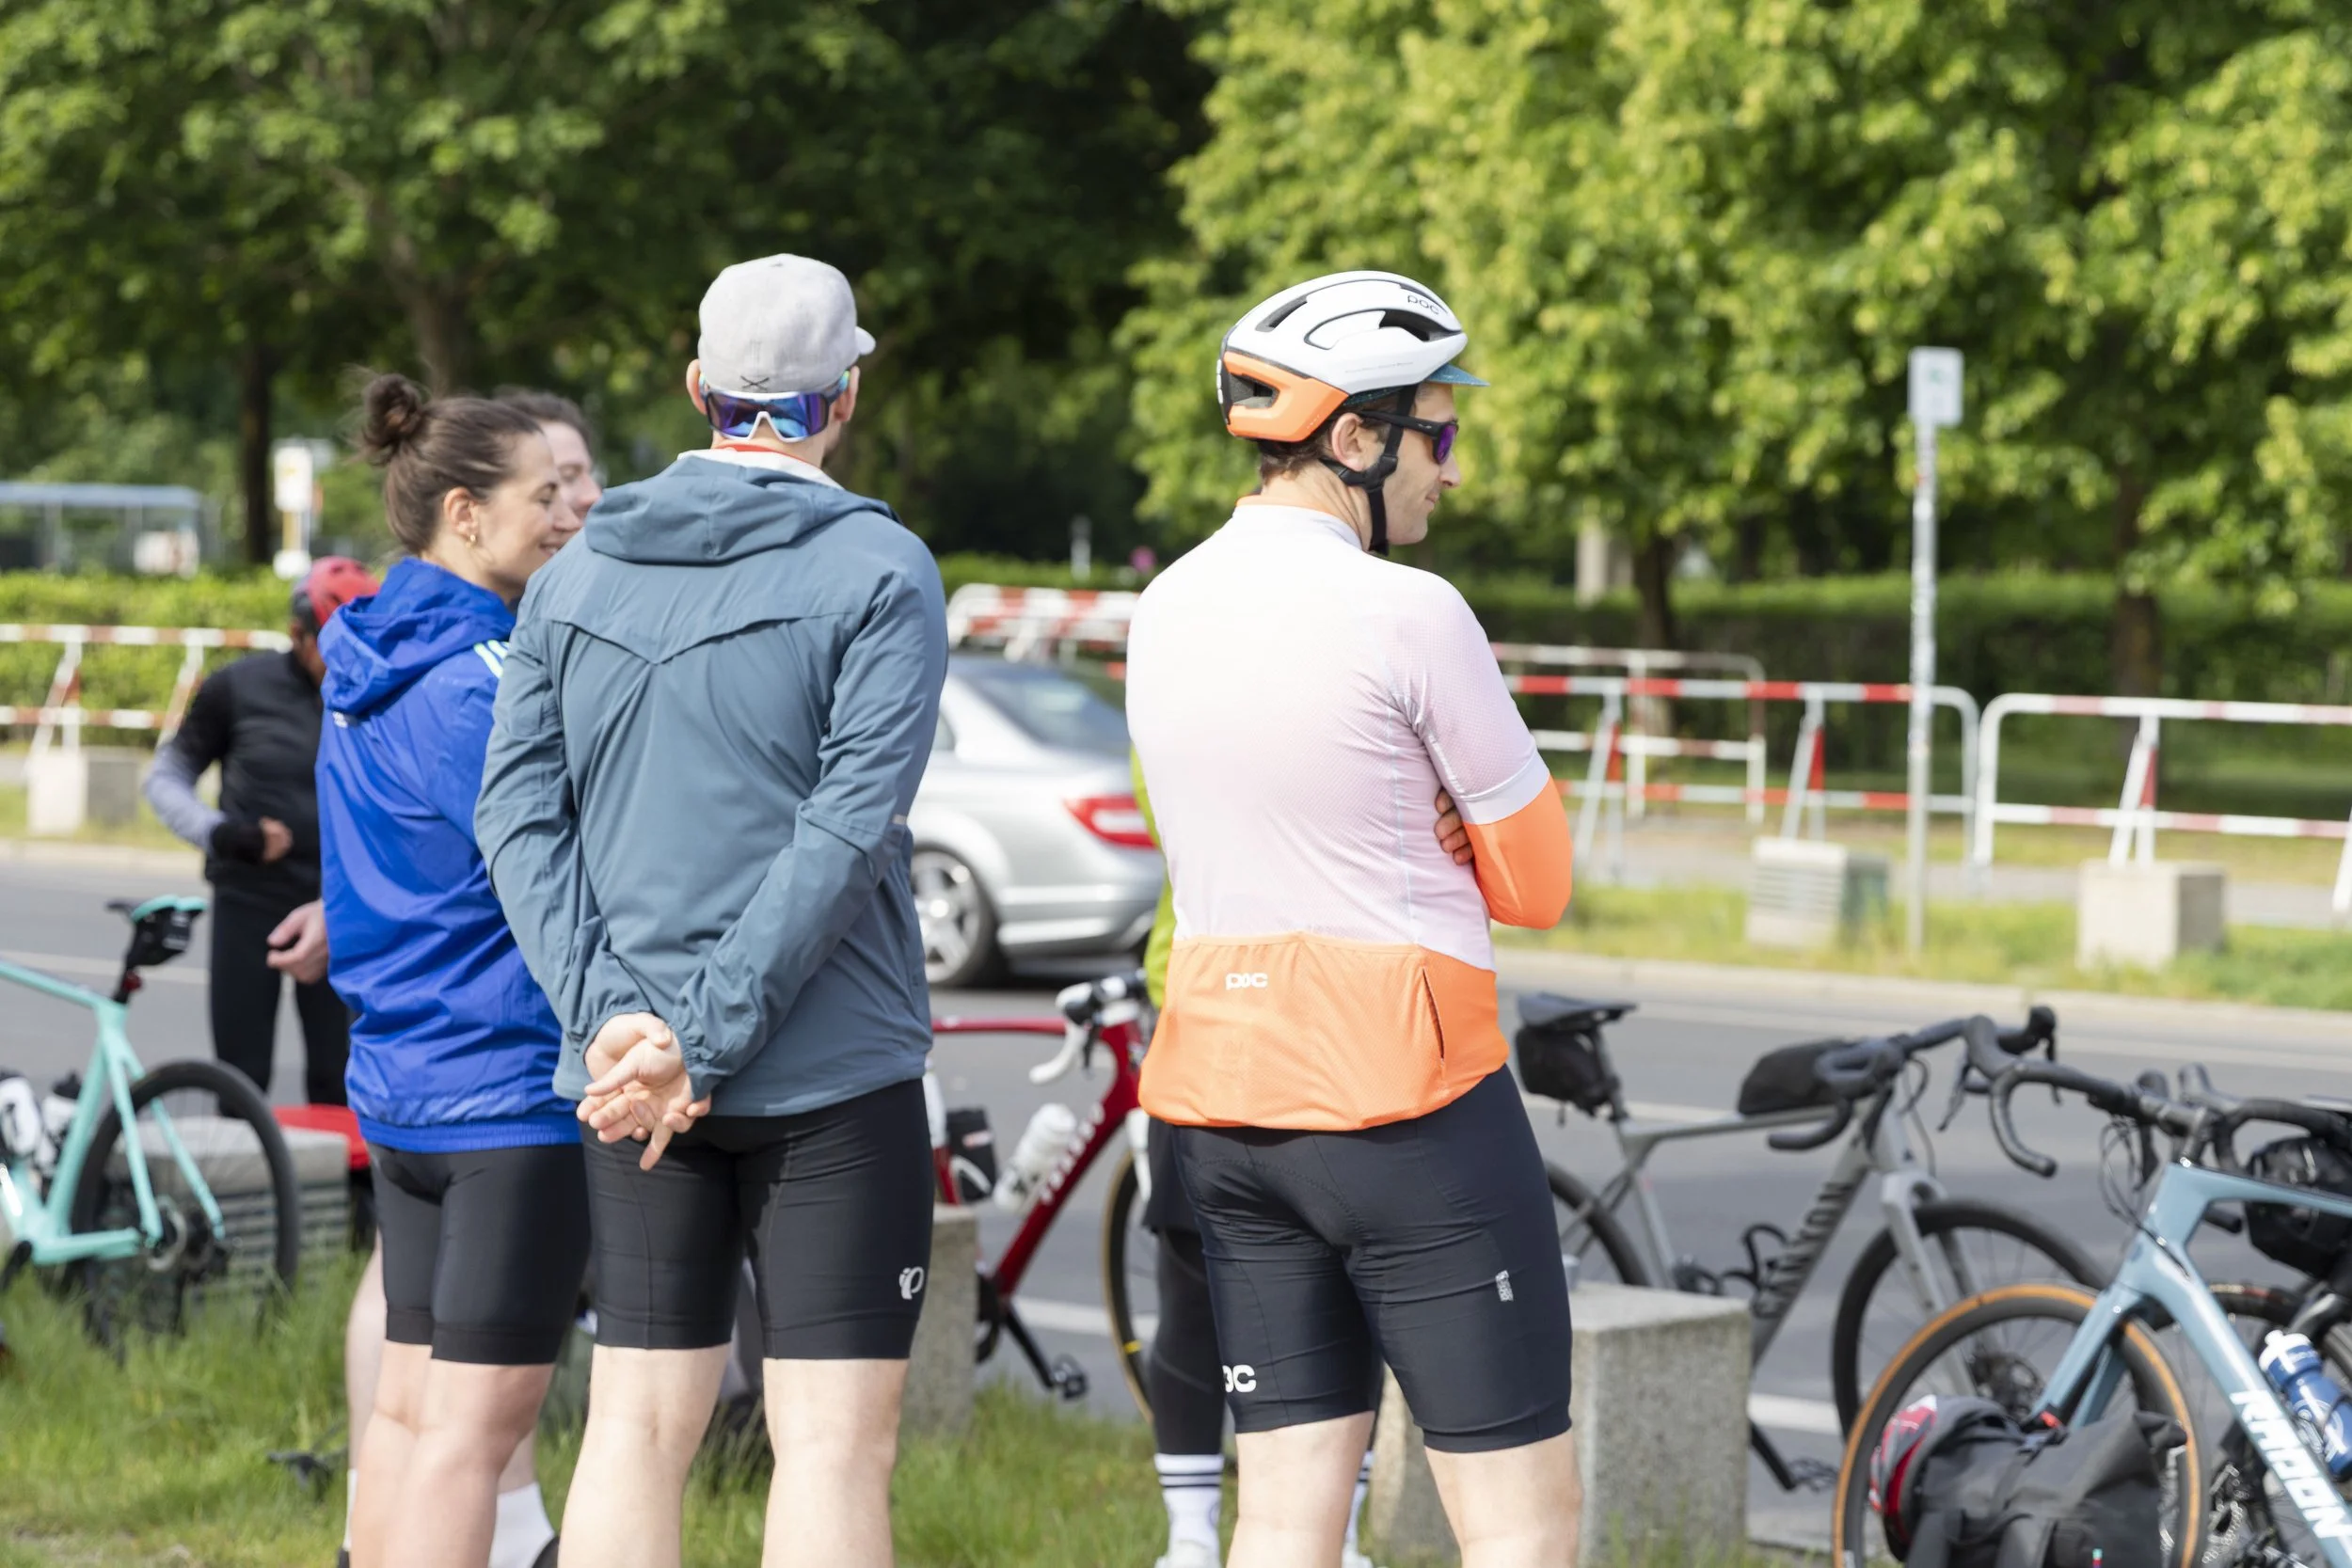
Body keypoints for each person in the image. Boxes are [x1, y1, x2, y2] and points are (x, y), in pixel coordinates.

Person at [477, 253, 947, 1568]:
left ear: (698, 388)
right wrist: (701, 1030)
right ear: (844, 393)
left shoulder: (576, 570)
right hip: (826, 1067)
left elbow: (515, 815)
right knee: (834, 1443)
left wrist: (620, 1021)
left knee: (631, 1425)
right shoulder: (884, 569)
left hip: (627, 1080)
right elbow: (843, 831)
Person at [1124, 271, 1583, 1568]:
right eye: (1436, 430)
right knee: (1519, 1527)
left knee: (1279, 1518)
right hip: (1407, 1105)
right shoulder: (1410, 612)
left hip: (1223, 1098)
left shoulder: (1163, 609)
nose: (1453, 466)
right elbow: (1539, 879)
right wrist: (1454, 817)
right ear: (1351, 435)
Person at [322, 388, 604, 1568]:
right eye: (546, 494)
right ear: (462, 513)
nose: (573, 510)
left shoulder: (371, 652)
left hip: (404, 1083)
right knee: (471, 1437)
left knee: (407, 1410)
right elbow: (566, 855)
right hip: (506, 1096)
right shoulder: (482, 675)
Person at [1132, 756, 1404, 1568]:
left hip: (1348, 1008)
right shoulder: (1187, 654)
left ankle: (1339, 1529)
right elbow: (1174, 803)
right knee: (1192, 1280)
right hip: (1209, 1000)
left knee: (1356, 1285)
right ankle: (1189, 1534)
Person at [143, 556, 378, 1106]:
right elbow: (166, 777)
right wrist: (223, 834)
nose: (349, 655)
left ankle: (344, 1193)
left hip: (340, 908)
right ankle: (245, 1190)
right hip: (252, 902)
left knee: (339, 1075)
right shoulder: (240, 687)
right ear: (298, 634)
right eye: (333, 641)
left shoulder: (376, 692)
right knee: (242, 1075)